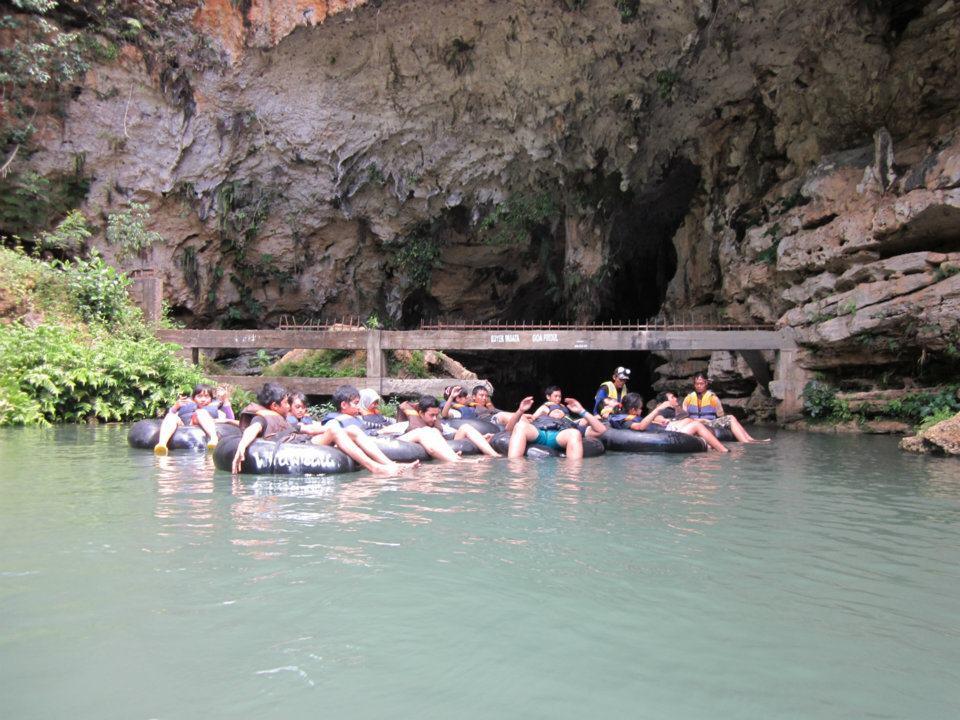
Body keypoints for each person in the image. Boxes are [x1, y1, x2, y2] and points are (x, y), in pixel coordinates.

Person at [231, 383, 417, 476]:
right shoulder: (262, 418)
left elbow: (309, 429)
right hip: (290, 447)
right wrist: (241, 447)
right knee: (335, 431)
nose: (289, 406)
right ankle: (375, 468)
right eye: (287, 402)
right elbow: (251, 430)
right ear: (274, 405)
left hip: (301, 441)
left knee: (350, 430)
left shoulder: (284, 420)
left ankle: (389, 464)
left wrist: (326, 426)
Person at [381, 395, 500, 460]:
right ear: (421, 413)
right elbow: (382, 433)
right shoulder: (405, 425)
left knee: (465, 427)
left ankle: (494, 455)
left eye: (436, 415)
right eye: (431, 415)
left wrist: (482, 437)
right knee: (427, 430)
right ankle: (458, 462)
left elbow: (457, 434)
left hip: (440, 447)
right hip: (406, 445)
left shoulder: (438, 426)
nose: (434, 418)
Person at [611, 392, 729, 452]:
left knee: (688, 420)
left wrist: (658, 422)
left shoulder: (630, 416)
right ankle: (723, 450)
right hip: (667, 436)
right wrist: (658, 409)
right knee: (696, 425)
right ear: (632, 410)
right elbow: (641, 426)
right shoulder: (625, 421)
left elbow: (645, 424)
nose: (641, 410)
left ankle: (708, 445)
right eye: (640, 408)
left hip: (664, 430)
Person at [506, 394, 606, 460]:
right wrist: (520, 410)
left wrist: (581, 411)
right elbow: (509, 429)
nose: (557, 411)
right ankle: (516, 474)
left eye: (560, 410)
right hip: (538, 433)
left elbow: (601, 430)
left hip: (560, 436)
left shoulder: (572, 423)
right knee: (520, 426)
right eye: (554, 409)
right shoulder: (538, 418)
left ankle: (572, 478)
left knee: (574, 433)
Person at [682, 374, 769, 443]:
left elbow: (720, 415)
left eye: (701, 383)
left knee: (731, 418)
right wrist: (699, 420)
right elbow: (684, 417)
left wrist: (707, 420)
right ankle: (746, 440)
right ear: (694, 384)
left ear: (706, 383)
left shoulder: (713, 398)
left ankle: (750, 439)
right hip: (696, 424)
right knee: (730, 418)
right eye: (697, 384)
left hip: (710, 423)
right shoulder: (688, 399)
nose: (699, 386)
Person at [154, 384, 221, 455]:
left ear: (211, 399)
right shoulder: (187, 406)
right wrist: (175, 407)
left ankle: (214, 439)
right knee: (171, 416)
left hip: (201, 425)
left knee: (200, 412)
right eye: (199, 396)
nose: (203, 400)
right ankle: (162, 444)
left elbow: (228, 417)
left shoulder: (215, 409)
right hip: (184, 425)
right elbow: (168, 418)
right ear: (193, 399)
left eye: (206, 396)